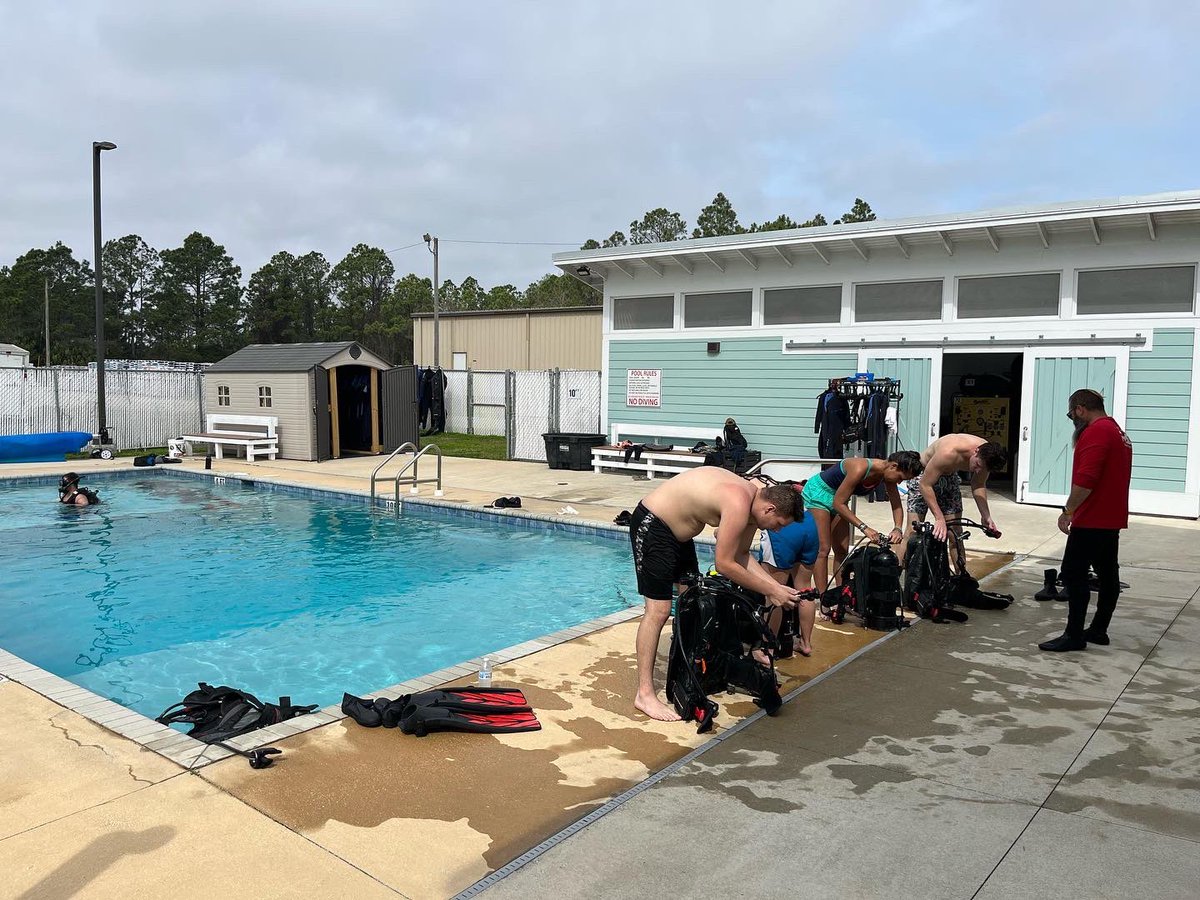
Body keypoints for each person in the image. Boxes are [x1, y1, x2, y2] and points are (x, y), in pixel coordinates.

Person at [629, 466, 801, 721]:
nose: (776, 531)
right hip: (654, 525)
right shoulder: (738, 502)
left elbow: (741, 554)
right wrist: (770, 589)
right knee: (659, 611)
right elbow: (724, 564)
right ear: (770, 509)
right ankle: (644, 694)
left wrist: (777, 588)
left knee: (691, 602)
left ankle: (687, 670)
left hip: (679, 537)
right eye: (778, 525)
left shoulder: (755, 504)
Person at [1039, 389, 1133, 652]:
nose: (1073, 420)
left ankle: (1074, 635)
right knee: (1108, 574)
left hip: (1093, 518)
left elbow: (1087, 479)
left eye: (1071, 415)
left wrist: (1068, 511)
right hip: (1110, 517)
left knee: (1073, 573)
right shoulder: (1118, 432)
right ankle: (1099, 630)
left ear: (1080, 409)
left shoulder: (1096, 432)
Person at [801, 451, 923, 595]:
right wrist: (864, 528)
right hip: (820, 493)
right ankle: (824, 597)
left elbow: (896, 503)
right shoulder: (860, 468)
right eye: (900, 478)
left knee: (842, 549)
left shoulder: (888, 475)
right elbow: (838, 504)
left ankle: (842, 594)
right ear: (893, 466)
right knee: (824, 549)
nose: (899, 482)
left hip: (839, 499)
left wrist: (897, 528)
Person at [904, 435, 1006, 546]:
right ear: (976, 451)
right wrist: (939, 518)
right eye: (977, 465)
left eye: (982, 469)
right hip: (924, 475)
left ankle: (958, 557)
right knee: (913, 531)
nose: (977, 471)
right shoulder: (949, 452)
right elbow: (925, 485)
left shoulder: (988, 456)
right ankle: (901, 558)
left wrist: (986, 516)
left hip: (949, 476)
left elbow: (978, 484)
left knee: (955, 533)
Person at [758, 490, 819, 656]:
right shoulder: (794, 500)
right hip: (808, 525)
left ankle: (768, 649)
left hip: (784, 534)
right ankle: (805, 643)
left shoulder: (763, 501)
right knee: (805, 588)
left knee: (774, 592)